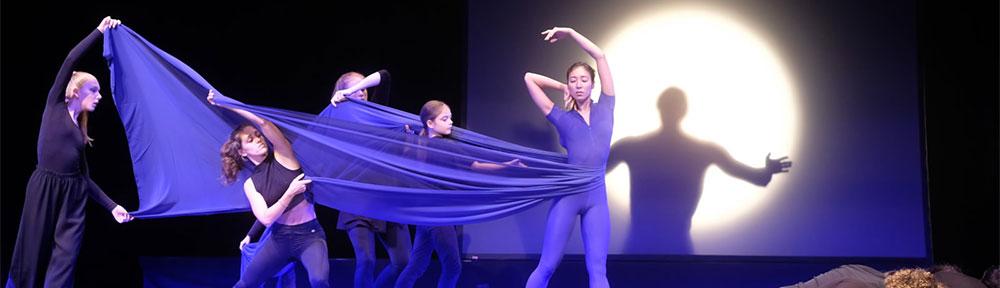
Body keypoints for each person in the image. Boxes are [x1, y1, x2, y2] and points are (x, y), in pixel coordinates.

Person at [6, 16, 134, 288]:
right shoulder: (55, 106)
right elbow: (69, 60)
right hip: (44, 187)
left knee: (66, 260)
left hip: (72, 195)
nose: (99, 96)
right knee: (29, 253)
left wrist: (113, 207)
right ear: (76, 91)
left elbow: (83, 177)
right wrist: (99, 31)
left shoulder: (80, 130)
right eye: (94, 90)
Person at [522, 27, 615, 288]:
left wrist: (571, 33)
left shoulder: (607, 106)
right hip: (568, 197)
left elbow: (600, 56)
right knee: (548, 265)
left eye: (583, 80)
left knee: (598, 270)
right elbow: (530, 78)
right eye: (573, 80)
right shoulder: (561, 117)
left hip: (597, 198)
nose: (578, 84)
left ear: (593, 84)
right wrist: (561, 85)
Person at [208, 90, 329, 288]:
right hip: (279, 238)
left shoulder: (284, 156)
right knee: (244, 284)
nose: (258, 139)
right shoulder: (251, 184)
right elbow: (265, 218)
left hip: (310, 235)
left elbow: (264, 123)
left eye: (257, 135)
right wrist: (290, 192)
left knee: (319, 280)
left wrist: (224, 103)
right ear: (242, 153)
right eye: (250, 140)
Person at [330, 70, 414, 288]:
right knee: (366, 260)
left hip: (387, 198)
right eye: (355, 88)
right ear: (342, 92)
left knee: (404, 262)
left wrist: (349, 90)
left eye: (363, 87)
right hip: (356, 199)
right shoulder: (338, 116)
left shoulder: (377, 112)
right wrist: (341, 97)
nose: (362, 91)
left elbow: (385, 76)